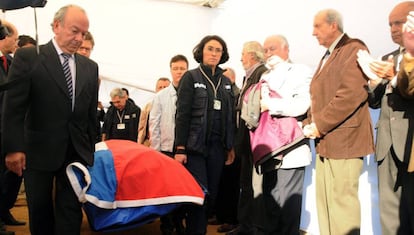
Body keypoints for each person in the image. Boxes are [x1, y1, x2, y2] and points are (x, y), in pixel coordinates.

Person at [2, 4, 99, 235]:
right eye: (74, 31)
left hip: (75, 153)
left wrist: (91, 150)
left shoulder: (90, 67)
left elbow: (90, 115)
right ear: (56, 26)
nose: (78, 38)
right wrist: (13, 148)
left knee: (71, 212)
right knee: (40, 212)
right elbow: (14, 107)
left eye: (83, 34)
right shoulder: (30, 57)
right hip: (38, 152)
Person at [303, 9, 374, 235]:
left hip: (345, 142)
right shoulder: (329, 55)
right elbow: (319, 96)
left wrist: (319, 124)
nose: (313, 32)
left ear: (333, 26)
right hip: (327, 142)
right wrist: (308, 121)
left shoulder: (354, 49)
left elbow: (350, 95)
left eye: (317, 26)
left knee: (342, 206)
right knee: (326, 205)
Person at [250, 34, 312, 235]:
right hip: (268, 150)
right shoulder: (264, 77)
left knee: (288, 209)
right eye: (265, 50)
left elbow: (302, 104)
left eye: (273, 49)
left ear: (286, 49)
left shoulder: (301, 71)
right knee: (271, 207)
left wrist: (272, 105)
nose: (268, 54)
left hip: (291, 149)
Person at [174, 35, 235, 235]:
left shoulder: (226, 82)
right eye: (210, 49)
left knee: (212, 196)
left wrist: (230, 146)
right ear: (201, 51)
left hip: (218, 148)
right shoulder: (191, 77)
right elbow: (182, 115)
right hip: (195, 149)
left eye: (218, 50)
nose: (214, 53)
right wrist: (180, 148)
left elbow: (229, 117)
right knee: (199, 194)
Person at [366, 2, 414, 234]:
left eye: (399, 22)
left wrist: (393, 77)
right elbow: (375, 103)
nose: (393, 28)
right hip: (386, 144)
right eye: (390, 24)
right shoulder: (386, 57)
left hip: (409, 143)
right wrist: (373, 84)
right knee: (389, 210)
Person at [149, 54, 188, 235]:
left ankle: (179, 222)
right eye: (176, 68)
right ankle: (166, 224)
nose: (179, 71)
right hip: (165, 151)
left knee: (182, 189)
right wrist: (155, 152)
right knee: (165, 190)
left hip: (186, 151)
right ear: (171, 70)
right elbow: (154, 124)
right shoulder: (161, 96)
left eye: (182, 68)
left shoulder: (193, 94)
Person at [233, 41, 268, 235]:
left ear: (252, 55)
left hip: (256, 140)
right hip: (246, 140)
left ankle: (255, 227)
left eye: (243, 54)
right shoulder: (248, 76)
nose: (241, 58)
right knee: (246, 186)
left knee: (256, 187)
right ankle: (245, 225)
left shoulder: (262, 73)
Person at [214, 66, 240, 234]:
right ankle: (221, 215)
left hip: (235, 147)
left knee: (232, 185)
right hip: (222, 145)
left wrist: (233, 146)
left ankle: (231, 219)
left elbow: (235, 123)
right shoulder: (223, 95)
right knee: (221, 182)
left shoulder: (237, 95)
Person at [0, 20, 19, 235]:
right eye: (13, 37)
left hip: (10, 130)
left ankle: (4, 211)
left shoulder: (11, 63)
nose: (15, 41)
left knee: (10, 177)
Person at [137, 77, 170, 146]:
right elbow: (142, 127)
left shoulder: (176, 106)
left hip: (167, 144)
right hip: (149, 143)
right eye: (160, 87)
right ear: (156, 89)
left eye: (165, 87)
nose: (162, 90)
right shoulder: (148, 106)